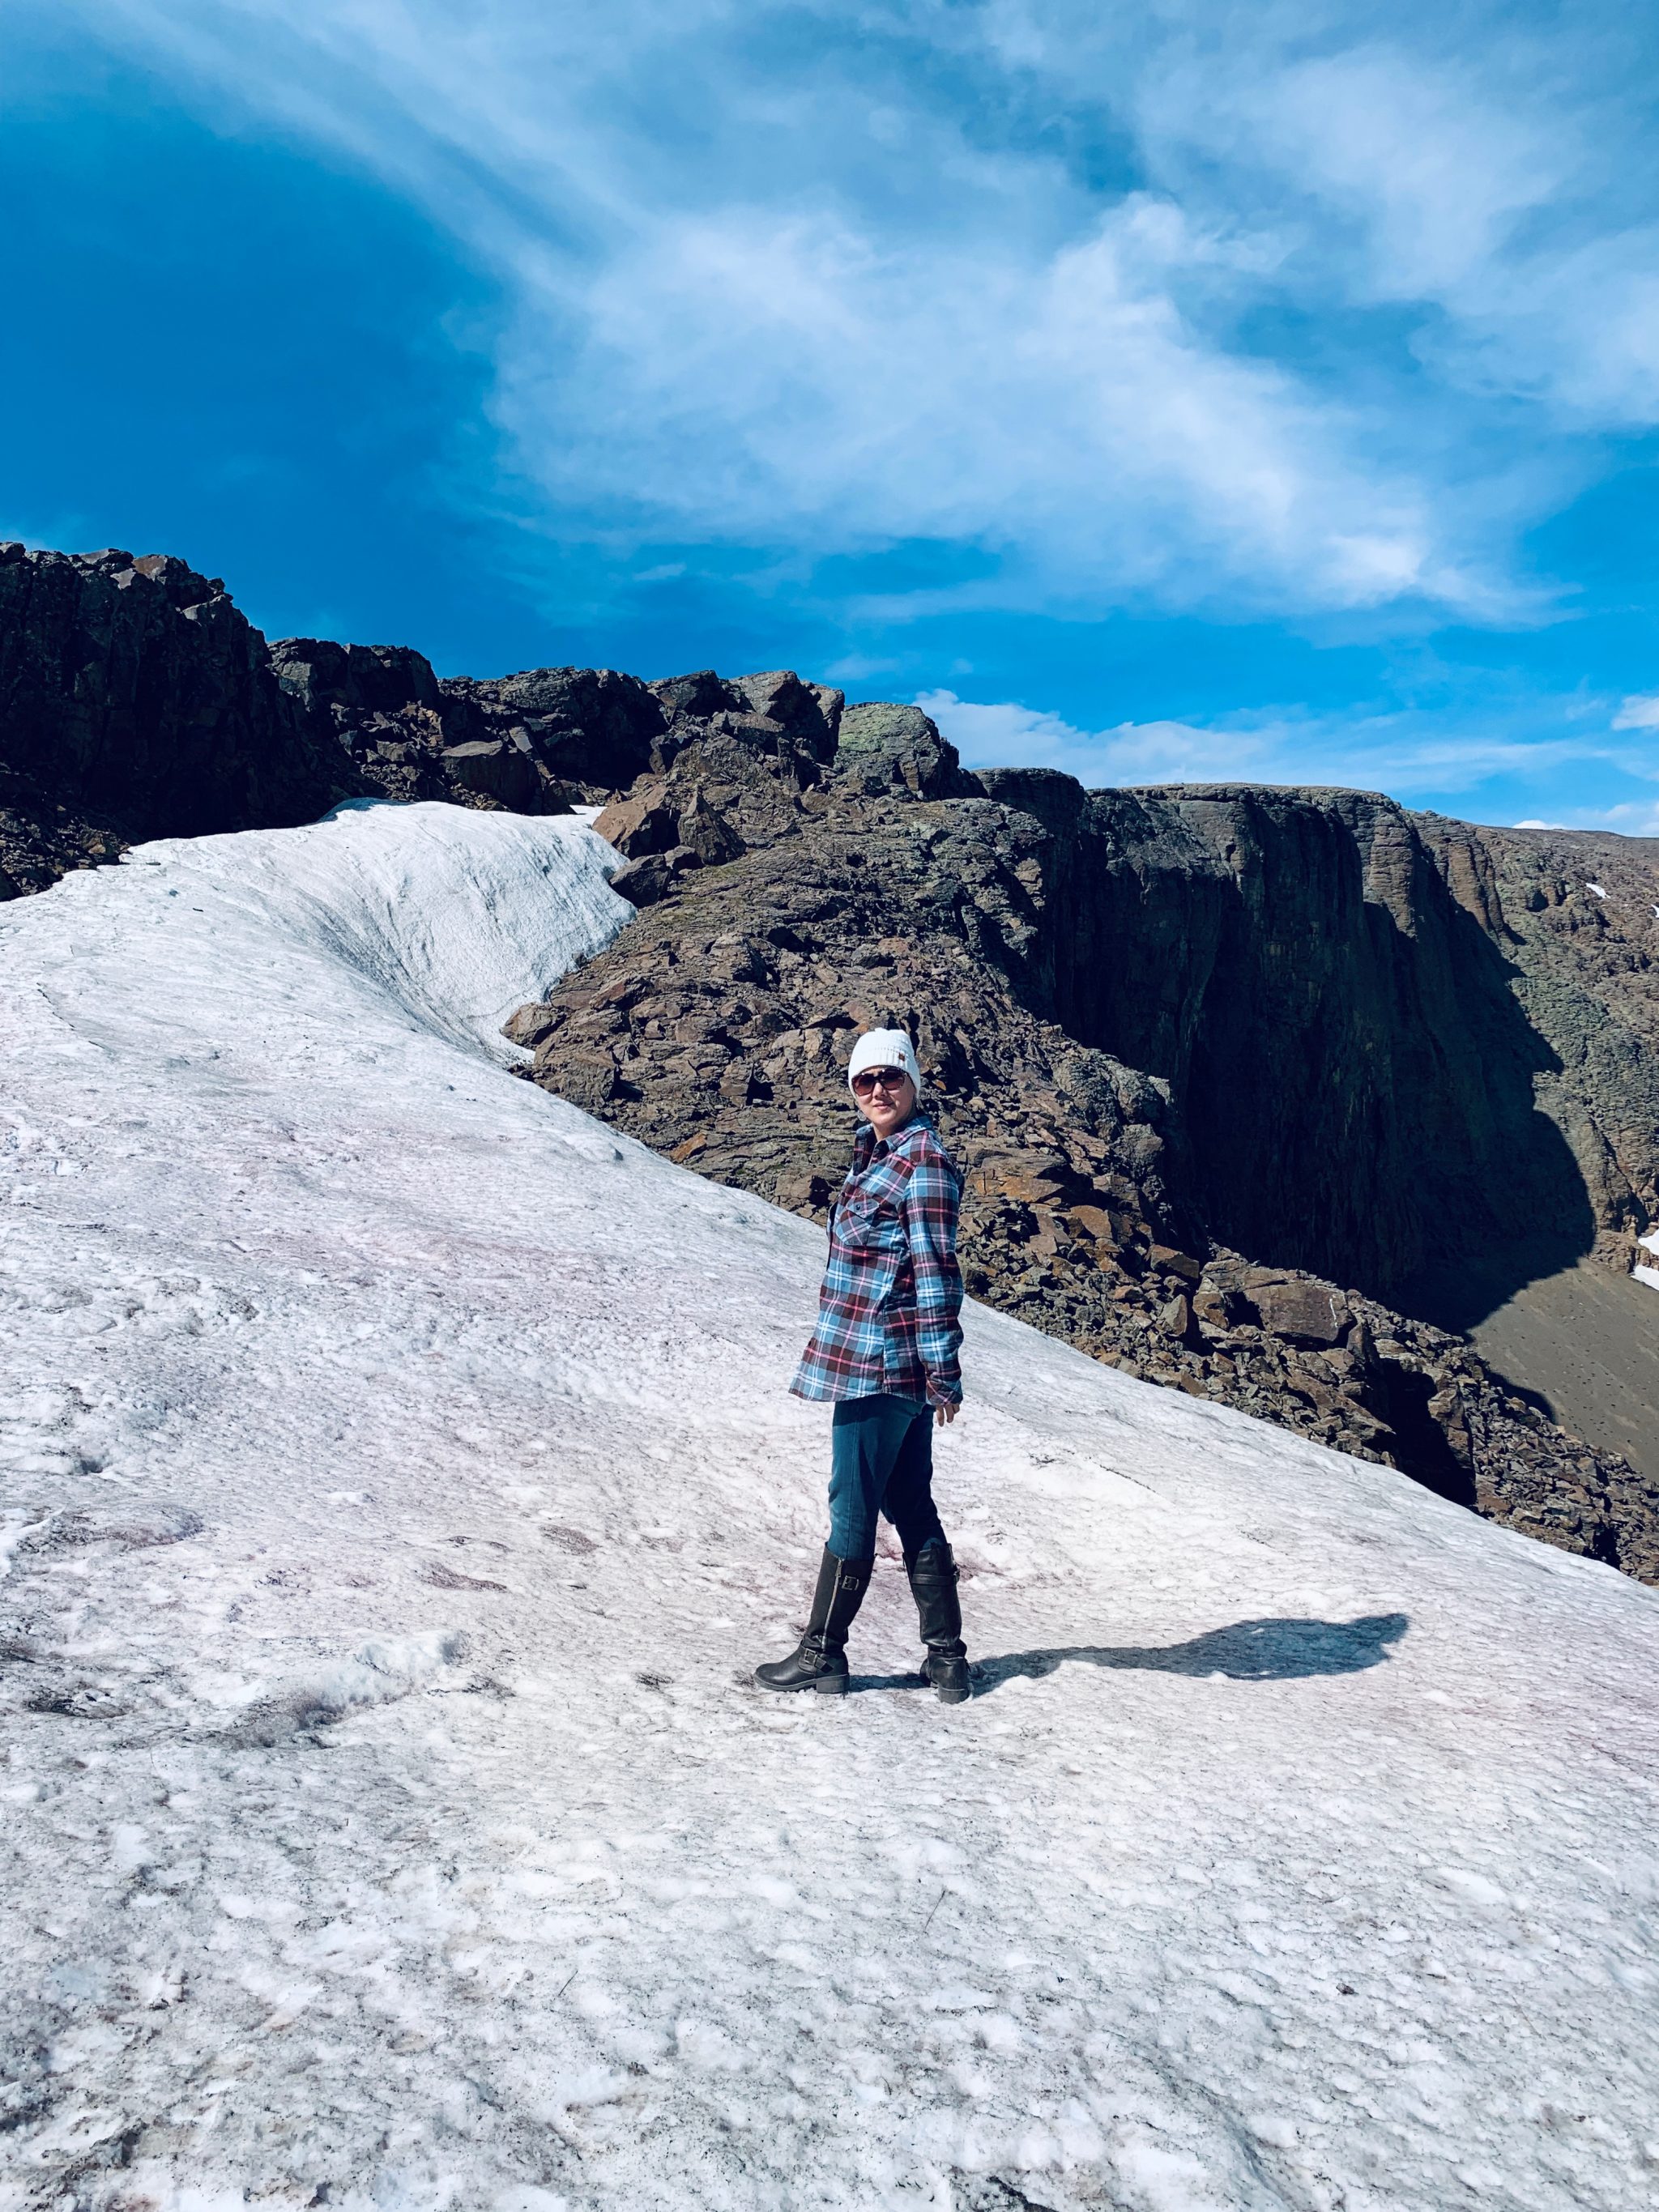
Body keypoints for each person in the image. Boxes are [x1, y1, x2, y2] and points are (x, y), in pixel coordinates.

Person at [756, 1027, 970, 1703]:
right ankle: (947, 1659)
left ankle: (824, 1653)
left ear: (913, 1081)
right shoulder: (875, 1154)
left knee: (851, 1507)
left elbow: (937, 1271)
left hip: (881, 1365)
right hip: (875, 1356)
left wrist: (943, 1370)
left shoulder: (921, 1162)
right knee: (908, 1500)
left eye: (891, 1077)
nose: (878, 1090)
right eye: (864, 1081)